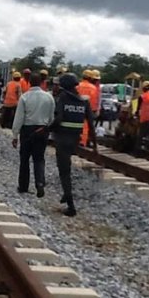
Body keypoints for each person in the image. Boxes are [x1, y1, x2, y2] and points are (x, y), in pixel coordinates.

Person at [51, 73, 98, 216]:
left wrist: (47, 128)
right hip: (75, 140)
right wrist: (95, 146)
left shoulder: (62, 98)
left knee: (64, 171)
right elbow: (91, 123)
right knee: (67, 168)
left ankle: (71, 206)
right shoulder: (84, 101)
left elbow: (58, 118)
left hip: (62, 138)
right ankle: (66, 194)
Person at [12, 73, 56, 197]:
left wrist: (15, 135)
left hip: (27, 130)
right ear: (41, 83)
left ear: (29, 82)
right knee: (39, 159)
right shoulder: (49, 97)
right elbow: (52, 117)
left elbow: (19, 117)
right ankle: (40, 183)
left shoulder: (24, 97)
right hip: (42, 130)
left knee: (24, 159)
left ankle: (23, 186)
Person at [77, 70, 99, 147]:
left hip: (77, 110)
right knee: (86, 126)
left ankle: (77, 141)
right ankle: (83, 142)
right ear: (90, 78)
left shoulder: (77, 86)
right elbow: (93, 102)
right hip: (88, 111)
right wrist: (93, 111)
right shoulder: (93, 88)